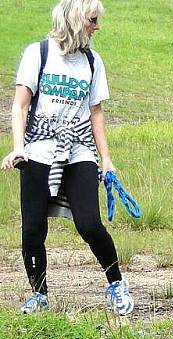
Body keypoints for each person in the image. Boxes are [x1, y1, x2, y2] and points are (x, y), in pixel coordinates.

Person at [1, 0, 134, 316]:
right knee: (33, 229)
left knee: (89, 223)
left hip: (78, 151)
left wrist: (107, 160)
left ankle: (116, 283)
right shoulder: (39, 53)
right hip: (38, 151)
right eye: (92, 19)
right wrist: (18, 146)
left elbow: (96, 113)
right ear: (75, 19)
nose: (96, 26)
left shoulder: (92, 61)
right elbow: (20, 105)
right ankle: (39, 293)